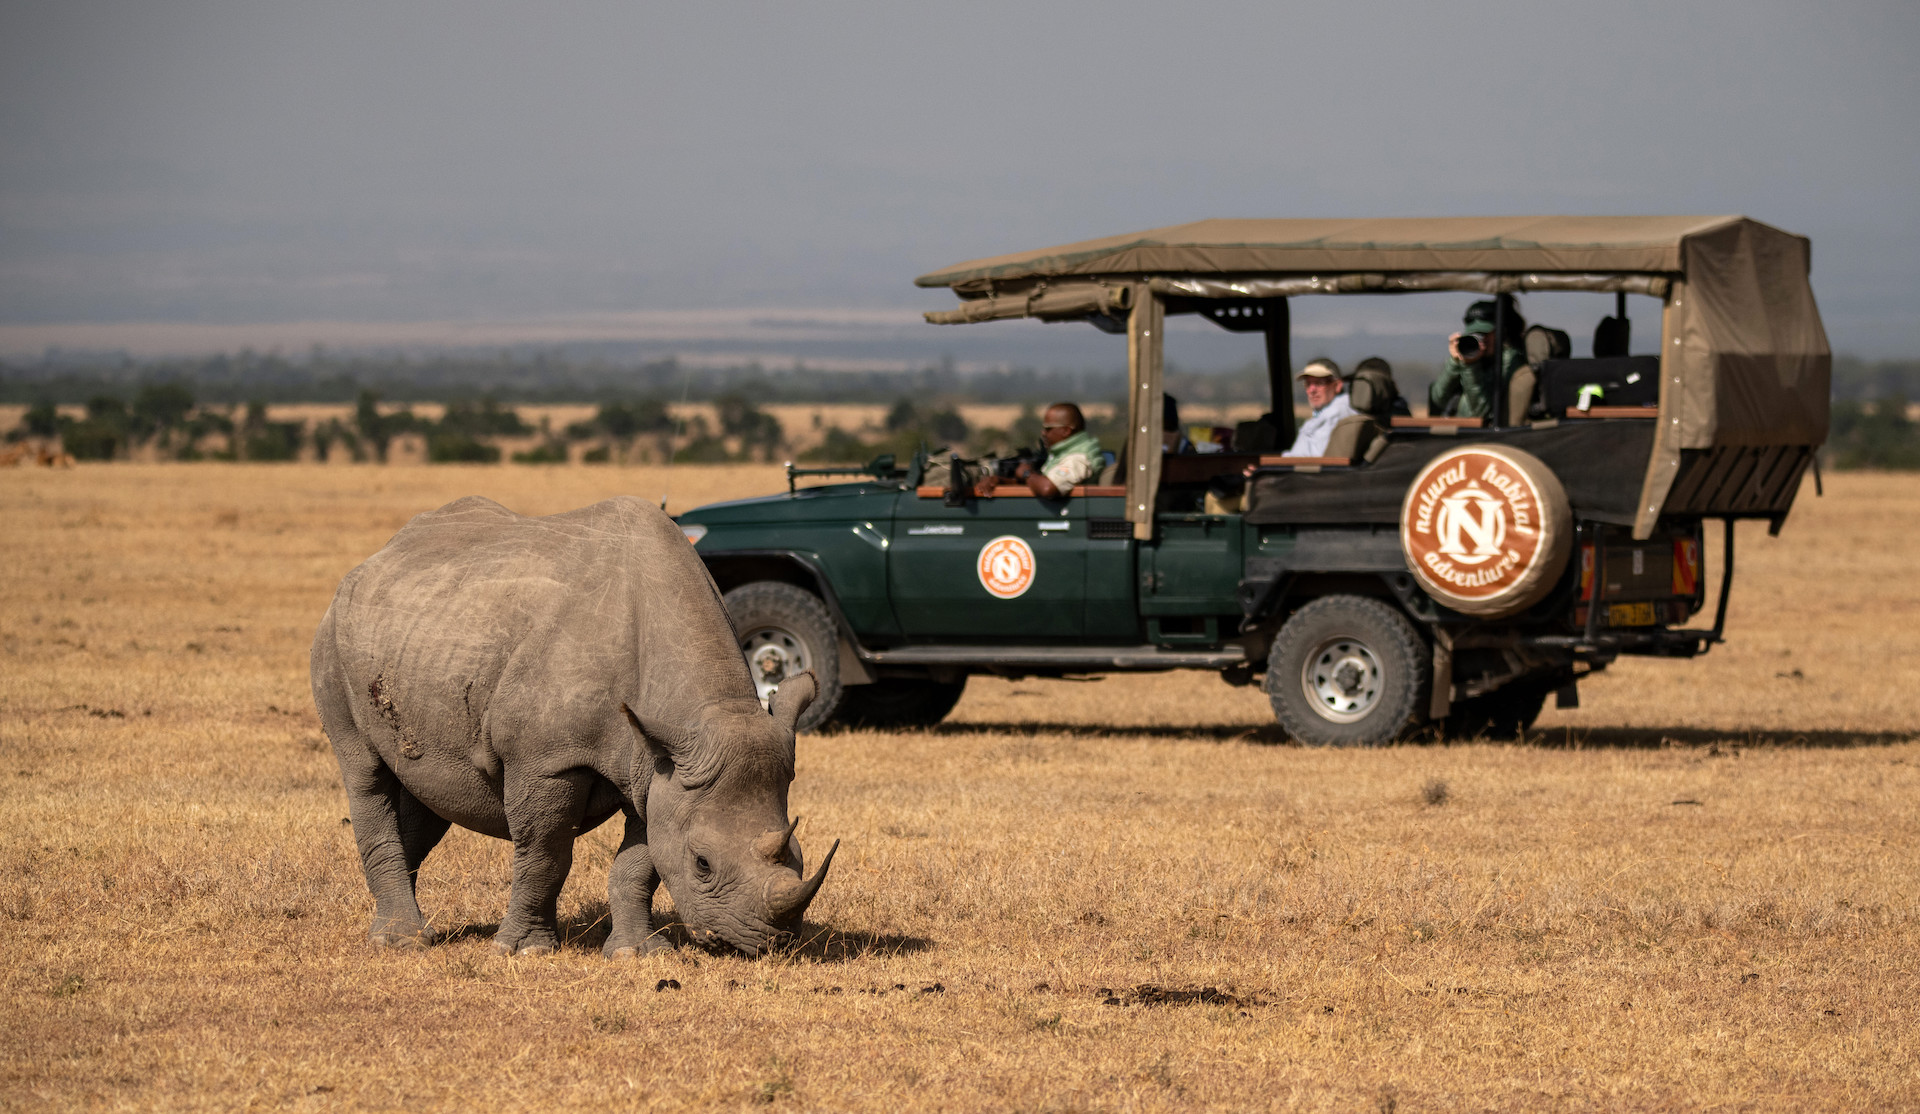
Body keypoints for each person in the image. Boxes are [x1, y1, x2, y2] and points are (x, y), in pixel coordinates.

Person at [974, 402, 1105, 499]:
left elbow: (1048, 488)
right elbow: (1038, 484)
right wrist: (1000, 480)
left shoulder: (1078, 457)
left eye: (1048, 429)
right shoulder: (1063, 454)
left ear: (1066, 431)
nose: (1043, 433)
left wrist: (1026, 473)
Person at [1428, 296, 1527, 420]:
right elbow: (1438, 399)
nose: (1481, 341)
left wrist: (1470, 366)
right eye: (1475, 334)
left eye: (1486, 334)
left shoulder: (1510, 361)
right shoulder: (1465, 356)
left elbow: (1480, 412)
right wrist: (1454, 363)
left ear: (1500, 333)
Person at [1283, 358, 1357, 457]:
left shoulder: (1334, 414)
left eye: (1319, 383)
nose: (1312, 390)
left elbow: (1315, 459)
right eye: (1308, 384)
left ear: (1337, 385)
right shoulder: (1340, 409)